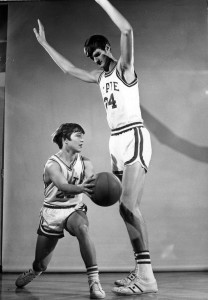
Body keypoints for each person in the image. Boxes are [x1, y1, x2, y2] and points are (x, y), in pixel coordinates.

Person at [33, 0, 158, 296]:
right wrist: (44, 43)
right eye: (92, 56)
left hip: (133, 136)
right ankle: (141, 271)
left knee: (129, 206)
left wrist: (102, 1)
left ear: (108, 49)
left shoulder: (124, 69)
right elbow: (68, 69)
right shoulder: (99, 77)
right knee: (124, 209)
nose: (95, 59)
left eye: (98, 53)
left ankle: (147, 278)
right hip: (115, 140)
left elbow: (127, 29)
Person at [15, 123, 106, 299]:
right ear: (65, 139)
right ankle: (35, 270)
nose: (82, 139)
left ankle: (94, 281)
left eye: (83, 136)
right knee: (41, 263)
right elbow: (64, 186)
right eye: (78, 135)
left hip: (73, 209)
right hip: (52, 212)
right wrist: (82, 187)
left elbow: (91, 180)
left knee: (82, 229)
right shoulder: (52, 164)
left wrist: (101, 188)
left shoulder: (85, 161)